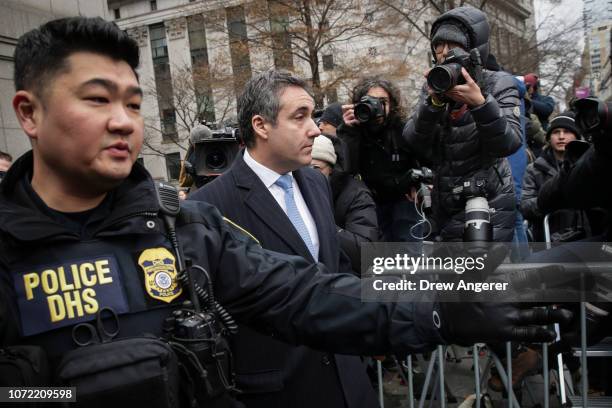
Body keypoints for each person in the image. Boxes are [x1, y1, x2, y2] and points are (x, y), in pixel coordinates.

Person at [0, 17, 569, 407]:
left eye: (133, 103)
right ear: (29, 112)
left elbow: (310, 291)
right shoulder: (209, 205)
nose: (123, 121)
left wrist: (442, 311)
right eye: (98, 100)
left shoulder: (185, 230)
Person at [188, 70, 378, 408]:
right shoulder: (209, 207)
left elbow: (336, 272)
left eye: (314, 115)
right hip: (278, 391)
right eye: (300, 116)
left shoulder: (316, 183)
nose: (315, 128)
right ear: (261, 126)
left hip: (348, 381)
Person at [403, 5, 521, 242]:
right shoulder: (433, 87)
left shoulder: (499, 84)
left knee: (477, 275)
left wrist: (480, 103)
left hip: (487, 204)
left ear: (473, 50)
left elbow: (508, 143)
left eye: (453, 46)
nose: (444, 53)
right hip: (445, 205)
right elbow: (413, 141)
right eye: (439, 46)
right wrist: (433, 104)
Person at [338, 77, 423, 243]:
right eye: (370, 102)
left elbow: (424, 158)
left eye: (383, 101)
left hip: (403, 198)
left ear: (392, 104)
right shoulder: (354, 131)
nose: (377, 107)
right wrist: (349, 130)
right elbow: (346, 168)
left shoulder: (404, 128)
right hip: (371, 202)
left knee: (409, 255)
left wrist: (418, 185)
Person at [520, 111, 594, 242]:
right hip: (548, 238)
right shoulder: (534, 169)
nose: (561, 136)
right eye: (556, 132)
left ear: (577, 136)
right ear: (548, 138)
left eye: (567, 131)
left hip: (586, 236)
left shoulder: (589, 164)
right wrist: (551, 199)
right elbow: (525, 206)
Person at [311, 134, 378, 273]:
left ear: (331, 168)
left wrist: (323, 226)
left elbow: (365, 252)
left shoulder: (356, 194)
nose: (308, 175)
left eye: (315, 168)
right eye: (302, 168)